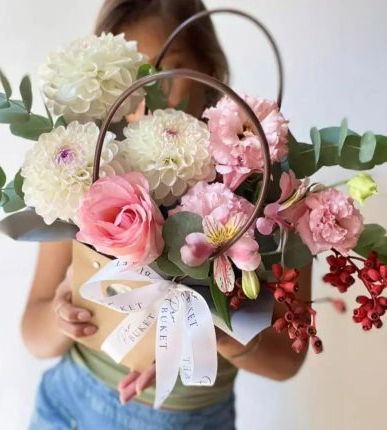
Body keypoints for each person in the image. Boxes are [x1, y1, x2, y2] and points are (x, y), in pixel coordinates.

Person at [22, 1, 312, 429]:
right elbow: (34, 335)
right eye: (132, 75)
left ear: (209, 68)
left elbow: (286, 360)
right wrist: (61, 316)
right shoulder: (93, 173)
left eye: (166, 70)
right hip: (68, 409)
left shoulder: (270, 187)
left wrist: (208, 334)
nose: (150, 91)